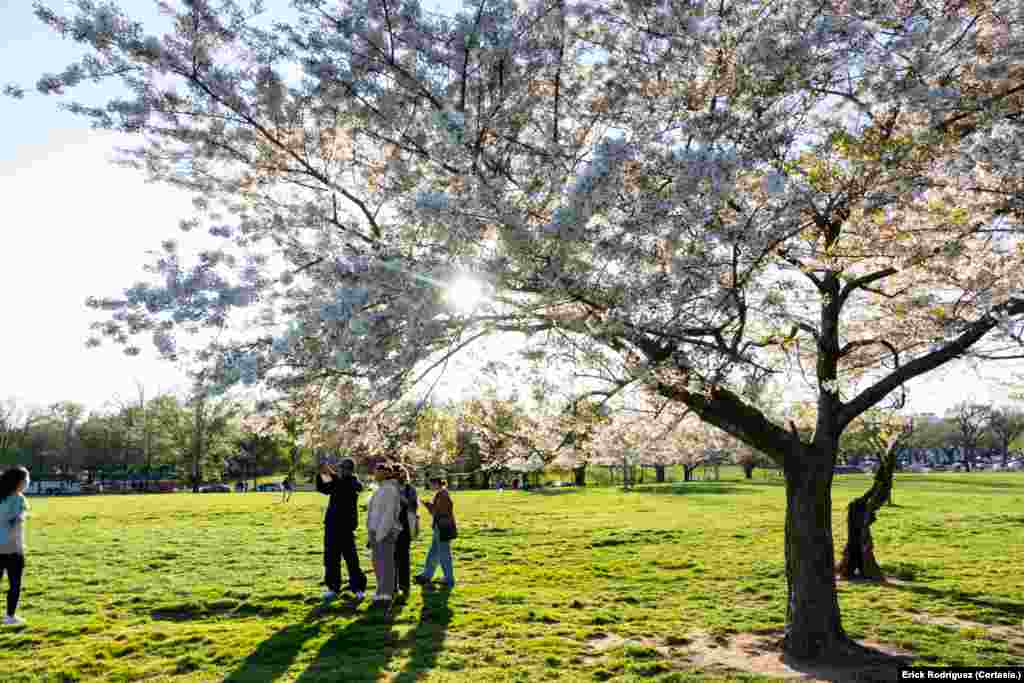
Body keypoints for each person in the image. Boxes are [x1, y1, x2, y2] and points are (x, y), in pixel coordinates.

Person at [316, 458, 367, 600]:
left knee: (351, 559)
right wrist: (323, 473)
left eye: (343, 468)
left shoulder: (354, 482)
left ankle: (358, 588)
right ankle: (333, 588)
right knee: (331, 558)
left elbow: (344, 485)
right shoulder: (337, 481)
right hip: (332, 525)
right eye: (340, 469)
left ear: (350, 469)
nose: (340, 470)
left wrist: (329, 473)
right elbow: (324, 489)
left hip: (346, 526)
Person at [365, 463, 402, 606]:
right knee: (378, 563)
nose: (375, 474)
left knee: (386, 563)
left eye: (378, 472)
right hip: (375, 532)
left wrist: (381, 533)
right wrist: (371, 533)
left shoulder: (390, 489)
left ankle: (385, 595)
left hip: (384, 532)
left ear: (387, 473)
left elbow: (389, 514)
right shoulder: (379, 489)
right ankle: (381, 591)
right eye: (375, 472)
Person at [0, 466, 30, 626]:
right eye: (25, 479)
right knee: (14, 584)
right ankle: (9, 617)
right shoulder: (19, 499)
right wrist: (19, 547)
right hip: (12, 548)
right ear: (18, 482)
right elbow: (16, 525)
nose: (27, 482)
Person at [415, 477, 456, 589]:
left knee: (443, 554)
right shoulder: (441, 494)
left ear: (437, 484)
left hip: (443, 527)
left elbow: (438, 511)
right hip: (440, 526)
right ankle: (427, 575)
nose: (431, 487)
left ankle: (449, 579)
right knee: (433, 552)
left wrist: (428, 505)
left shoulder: (442, 495)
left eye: (431, 484)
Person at [393, 465, 420, 599]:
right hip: (390, 527)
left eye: (401, 473)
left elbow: (414, 506)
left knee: (403, 558)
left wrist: (402, 499)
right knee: (391, 559)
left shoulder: (410, 489)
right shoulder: (388, 489)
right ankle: (392, 587)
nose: (399, 476)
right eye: (396, 474)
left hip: (405, 527)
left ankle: (404, 587)